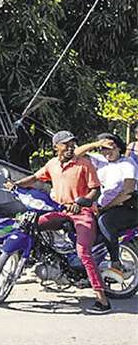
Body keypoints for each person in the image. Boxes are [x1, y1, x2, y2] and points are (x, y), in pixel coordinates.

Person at [7, 130, 111, 314]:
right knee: (31, 224)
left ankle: (102, 300)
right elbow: (35, 178)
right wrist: (15, 184)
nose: (71, 147)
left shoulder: (84, 164)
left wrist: (81, 202)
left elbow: (95, 190)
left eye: (73, 144)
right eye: (66, 144)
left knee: (83, 251)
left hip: (82, 212)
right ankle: (50, 260)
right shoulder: (52, 164)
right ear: (56, 147)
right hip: (59, 210)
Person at [75, 133, 138, 282]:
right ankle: (85, 267)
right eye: (103, 149)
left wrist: (105, 208)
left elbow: (127, 192)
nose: (107, 152)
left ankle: (116, 264)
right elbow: (76, 155)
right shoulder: (101, 161)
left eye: (111, 147)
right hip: (106, 207)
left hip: (129, 206)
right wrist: (95, 144)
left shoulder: (128, 164)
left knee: (105, 221)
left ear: (119, 148)